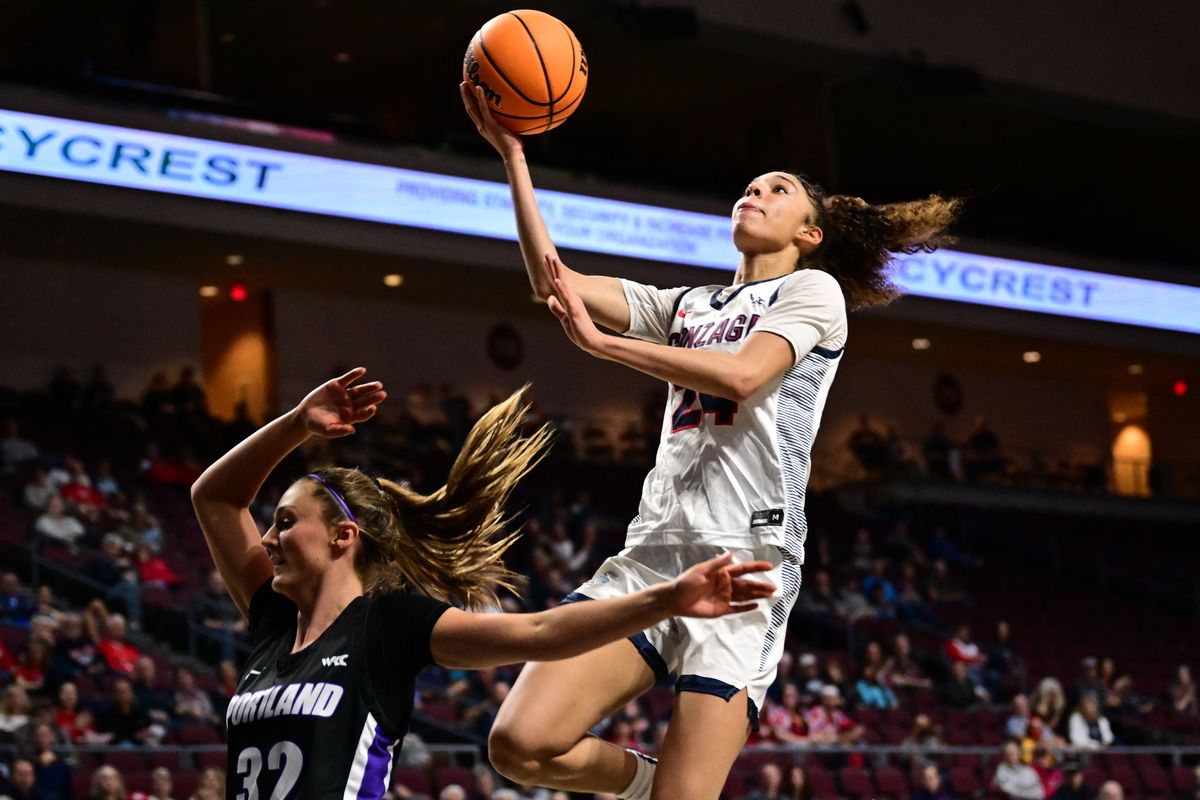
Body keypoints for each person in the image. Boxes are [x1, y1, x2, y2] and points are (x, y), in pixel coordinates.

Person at [463, 81, 958, 800]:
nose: (754, 192)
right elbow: (556, 284)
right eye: (751, 185)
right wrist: (512, 155)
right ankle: (652, 788)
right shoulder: (686, 306)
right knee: (519, 743)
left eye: (777, 189)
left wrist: (608, 347)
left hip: (746, 564)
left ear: (809, 234)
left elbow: (743, 375)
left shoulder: (812, 293)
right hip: (653, 553)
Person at [191, 369, 774, 799]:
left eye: (286, 522)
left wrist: (667, 599)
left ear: (344, 537)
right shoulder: (272, 621)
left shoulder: (388, 625)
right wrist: (297, 423)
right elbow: (213, 497)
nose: (265, 539)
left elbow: (541, 631)